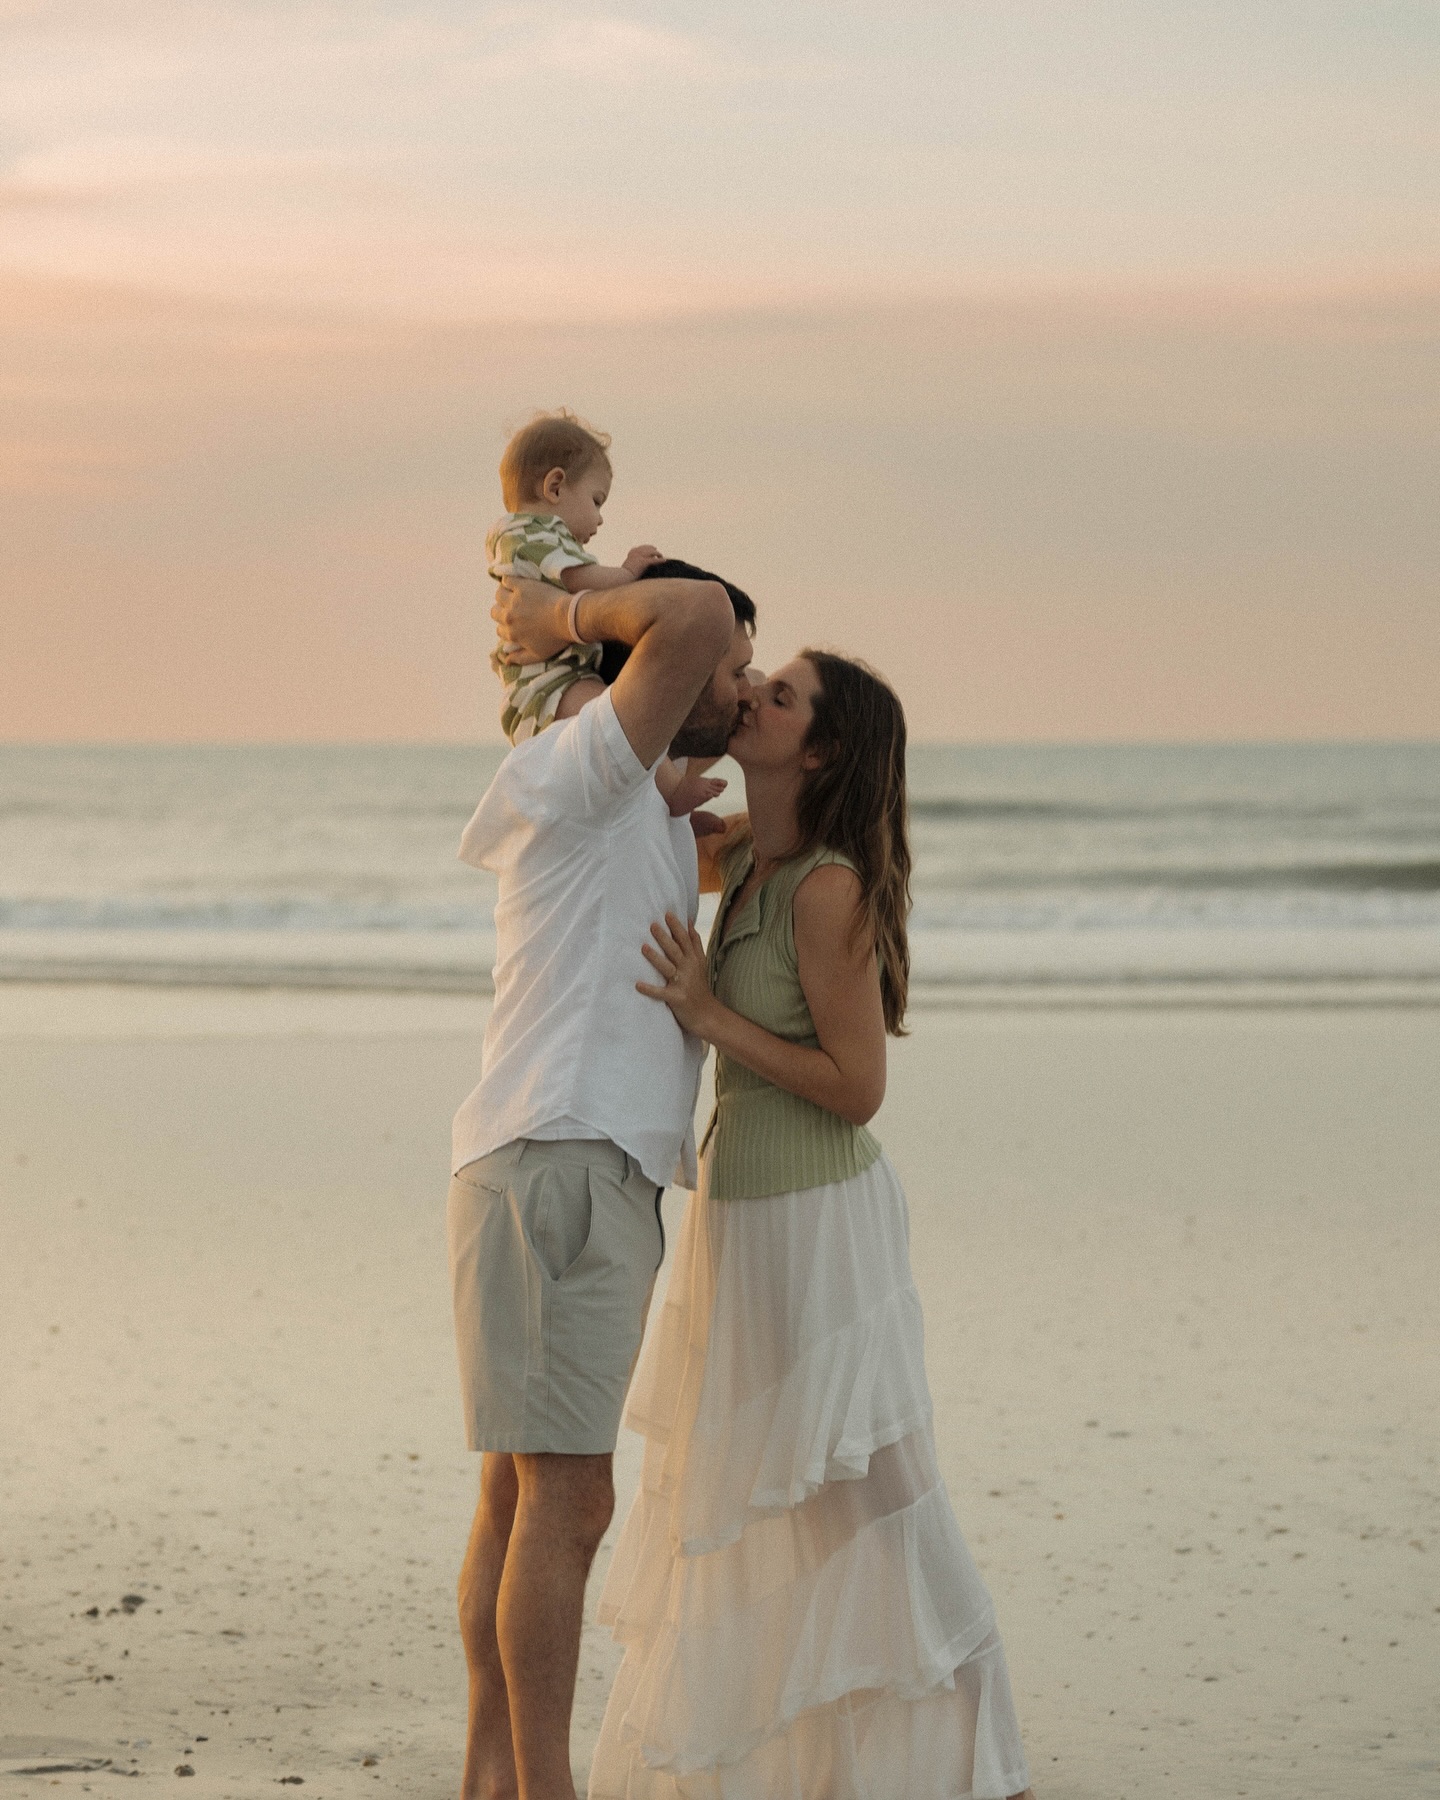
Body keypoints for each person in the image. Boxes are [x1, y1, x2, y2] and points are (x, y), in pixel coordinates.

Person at [588, 651, 1036, 1800]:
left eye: (780, 696)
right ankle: (809, 1764)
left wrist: (704, 1015)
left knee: (872, 1488)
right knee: (753, 1501)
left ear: (824, 750)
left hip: (822, 1216)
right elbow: (613, 835)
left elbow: (856, 1085)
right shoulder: (741, 855)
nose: (757, 698)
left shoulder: (827, 887)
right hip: (740, 1219)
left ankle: (982, 1760)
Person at [447, 561, 756, 1800]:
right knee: (567, 1508)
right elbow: (689, 619)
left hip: (567, 1164)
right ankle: (539, 1788)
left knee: (525, 1502)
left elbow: (719, 866)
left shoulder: (630, 802)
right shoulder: (584, 765)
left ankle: (492, 1776)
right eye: (730, 670)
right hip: (562, 1162)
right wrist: (562, 611)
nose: (734, 679)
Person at [485, 408, 725, 818]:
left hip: (554, 679)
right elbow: (586, 580)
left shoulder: (528, 538)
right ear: (556, 486)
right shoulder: (532, 534)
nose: (600, 518)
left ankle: (663, 805)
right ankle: (672, 795)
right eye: (596, 501)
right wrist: (630, 572)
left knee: (624, 733)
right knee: (614, 719)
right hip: (549, 685)